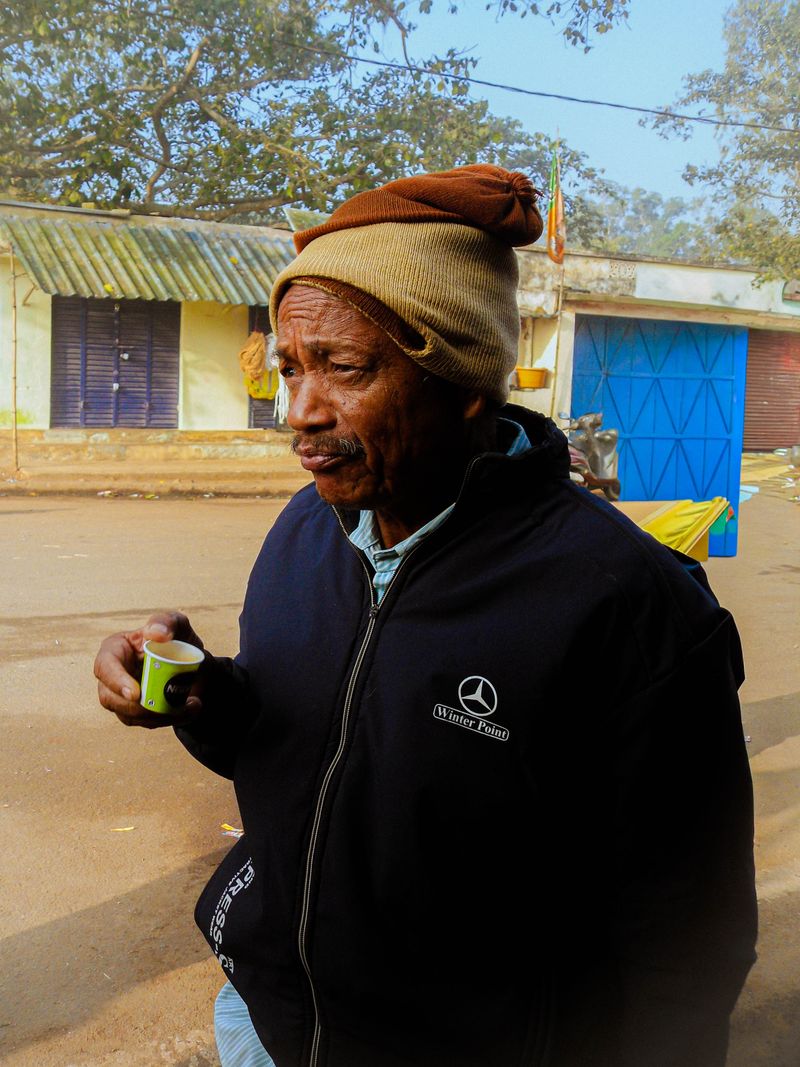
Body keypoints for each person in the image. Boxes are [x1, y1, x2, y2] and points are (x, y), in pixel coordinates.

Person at [95, 164, 757, 1067]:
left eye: (344, 366)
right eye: (291, 367)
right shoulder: (310, 526)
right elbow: (310, 746)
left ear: (464, 379)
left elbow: (688, 945)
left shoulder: (629, 605)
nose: (301, 411)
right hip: (269, 1021)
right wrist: (202, 692)